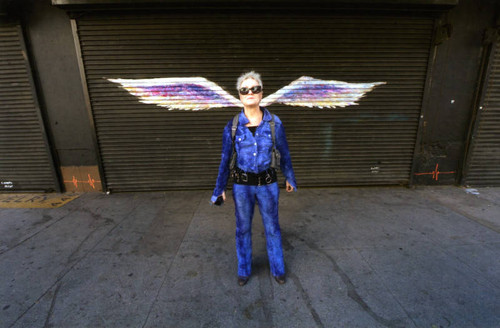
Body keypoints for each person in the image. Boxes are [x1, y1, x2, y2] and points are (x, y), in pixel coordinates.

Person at [211, 71, 297, 286]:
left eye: (255, 88)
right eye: (245, 90)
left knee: (273, 228)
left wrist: (290, 177)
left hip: (268, 185)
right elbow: (225, 159)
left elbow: (285, 153)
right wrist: (219, 188)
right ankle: (244, 270)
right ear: (240, 96)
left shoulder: (274, 123)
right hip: (242, 187)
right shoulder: (231, 126)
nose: (250, 92)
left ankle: (278, 269)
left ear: (261, 93)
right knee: (242, 229)